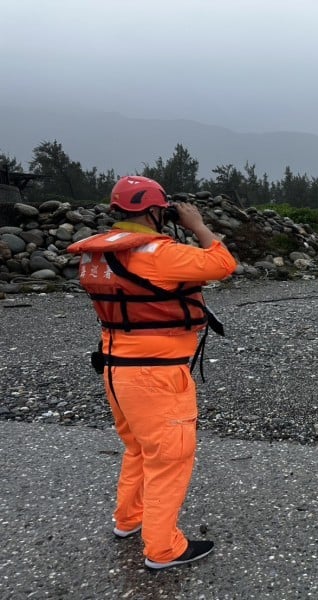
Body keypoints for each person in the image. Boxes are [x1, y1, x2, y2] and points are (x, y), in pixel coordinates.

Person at [67, 176, 237, 570]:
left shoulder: (97, 256)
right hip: (156, 375)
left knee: (138, 449)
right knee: (170, 458)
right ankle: (163, 549)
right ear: (153, 211)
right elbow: (223, 263)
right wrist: (195, 224)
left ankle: (129, 519)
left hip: (115, 368)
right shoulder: (161, 255)